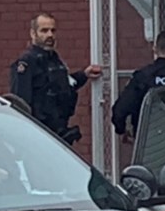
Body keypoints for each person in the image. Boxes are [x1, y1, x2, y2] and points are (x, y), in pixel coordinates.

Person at [9, 13, 101, 145]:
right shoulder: (27, 63)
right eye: (44, 31)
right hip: (38, 135)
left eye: (53, 30)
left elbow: (64, 85)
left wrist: (84, 74)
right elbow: (20, 102)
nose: (50, 35)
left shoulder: (54, 60)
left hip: (58, 133)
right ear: (33, 33)